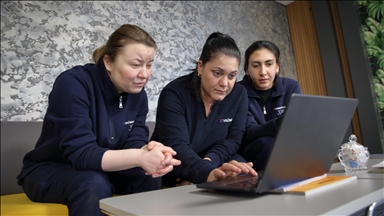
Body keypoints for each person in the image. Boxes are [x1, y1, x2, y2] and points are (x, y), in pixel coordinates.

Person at [16, 24, 181, 216]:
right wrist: (138, 157)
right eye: (136, 65)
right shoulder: (73, 84)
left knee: (147, 177)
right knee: (93, 182)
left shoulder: (138, 95)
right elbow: (82, 154)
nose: (144, 74)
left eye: (149, 65)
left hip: (100, 170)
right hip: (50, 170)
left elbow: (134, 142)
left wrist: (150, 154)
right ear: (108, 62)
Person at [151, 32, 257, 187]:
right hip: (176, 164)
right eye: (217, 73)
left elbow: (233, 139)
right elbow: (177, 145)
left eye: (232, 76)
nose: (225, 84)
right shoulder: (174, 93)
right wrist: (204, 173)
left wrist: (209, 164)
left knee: (240, 169)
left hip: (213, 161)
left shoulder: (239, 94)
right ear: (200, 67)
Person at [238, 40, 302, 171]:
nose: (263, 72)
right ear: (246, 69)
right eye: (255, 65)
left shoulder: (291, 87)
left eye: (269, 64)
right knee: (267, 143)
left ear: (277, 67)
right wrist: (281, 124)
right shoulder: (238, 92)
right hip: (253, 151)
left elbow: (297, 127)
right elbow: (248, 132)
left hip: (286, 148)